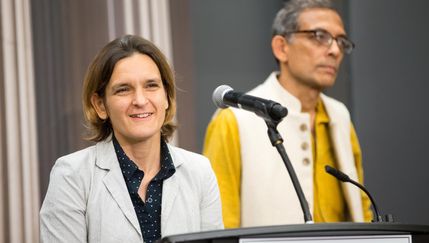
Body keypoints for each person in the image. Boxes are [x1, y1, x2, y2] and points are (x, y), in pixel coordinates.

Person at [203, 0, 373, 228]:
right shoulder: (234, 120)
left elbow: (360, 206)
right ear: (281, 48)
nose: (334, 50)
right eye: (319, 36)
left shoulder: (340, 117)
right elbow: (220, 225)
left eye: (341, 41)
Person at [40, 35, 223, 243]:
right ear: (100, 105)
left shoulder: (199, 172)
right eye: (123, 89)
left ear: (167, 97)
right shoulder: (71, 176)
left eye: (151, 86)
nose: (140, 100)